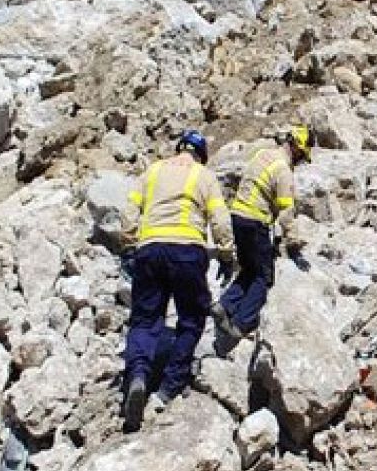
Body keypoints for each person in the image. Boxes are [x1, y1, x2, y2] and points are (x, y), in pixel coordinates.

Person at [120, 129, 230, 433]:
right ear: (201, 154)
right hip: (187, 252)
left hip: (150, 249)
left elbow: (129, 212)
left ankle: (138, 376)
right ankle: (168, 388)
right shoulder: (203, 176)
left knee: (144, 320)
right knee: (191, 319)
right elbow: (220, 218)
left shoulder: (152, 171)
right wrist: (226, 251)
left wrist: (129, 243)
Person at [214, 125, 315, 337]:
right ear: (296, 148)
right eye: (302, 156)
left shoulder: (263, 155)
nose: (300, 161)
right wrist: (293, 242)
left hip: (237, 216)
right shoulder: (283, 170)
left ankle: (224, 305)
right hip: (255, 221)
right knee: (263, 277)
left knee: (248, 269)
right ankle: (242, 324)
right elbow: (286, 212)